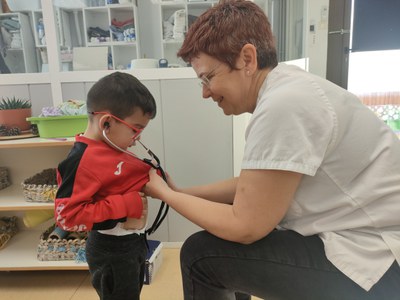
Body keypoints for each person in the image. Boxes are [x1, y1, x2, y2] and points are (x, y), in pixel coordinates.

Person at [143, 1, 400, 299]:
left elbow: (246, 226)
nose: (205, 92)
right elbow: (255, 188)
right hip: (371, 241)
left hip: (377, 259)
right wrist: (183, 192)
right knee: (224, 237)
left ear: (247, 59)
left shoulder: (284, 105)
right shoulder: (289, 89)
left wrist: (166, 195)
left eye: (207, 78)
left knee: (201, 255)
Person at [55, 72, 157, 300]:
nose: (138, 137)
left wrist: (151, 173)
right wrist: (124, 205)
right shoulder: (79, 161)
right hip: (112, 251)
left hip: (132, 245)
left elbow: (118, 175)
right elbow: (67, 217)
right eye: (135, 129)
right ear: (106, 122)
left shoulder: (111, 149)